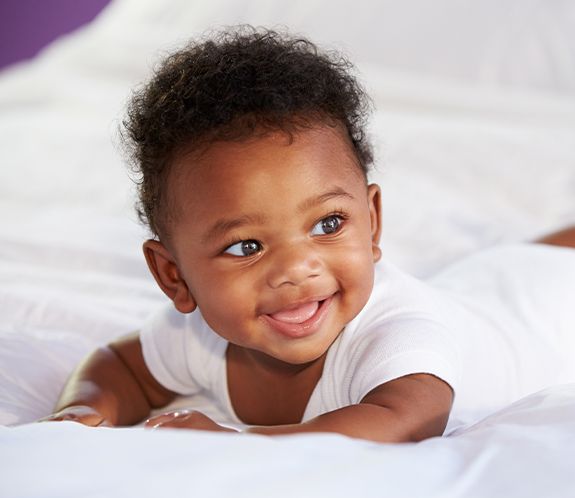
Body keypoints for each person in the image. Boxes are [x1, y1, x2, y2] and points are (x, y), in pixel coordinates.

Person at [42, 27, 575, 442]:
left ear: (372, 223)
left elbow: (401, 424)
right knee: (514, 262)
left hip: (546, 309)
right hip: (482, 289)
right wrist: (84, 411)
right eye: (245, 246)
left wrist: (237, 443)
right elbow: (124, 368)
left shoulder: (403, 334)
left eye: (328, 224)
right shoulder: (197, 336)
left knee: (540, 261)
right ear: (174, 276)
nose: (297, 268)